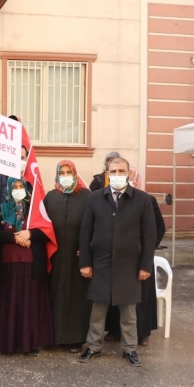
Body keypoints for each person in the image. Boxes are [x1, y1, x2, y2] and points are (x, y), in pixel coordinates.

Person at [78, 157, 156, 368]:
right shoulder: (95, 198)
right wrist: (85, 263)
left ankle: (129, 349)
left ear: (129, 174)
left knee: (129, 312)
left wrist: (145, 266)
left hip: (129, 265)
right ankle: (93, 347)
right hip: (101, 263)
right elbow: (85, 233)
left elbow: (149, 236)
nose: (117, 174)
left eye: (121, 170)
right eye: (113, 171)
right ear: (107, 173)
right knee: (98, 311)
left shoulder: (142, 199)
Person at [0, 177, 53, 354]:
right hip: (8, 266)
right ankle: (4, 343)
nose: (18, 189)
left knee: (29, 304)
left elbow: (46, 232)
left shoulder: (35, 210)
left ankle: (30, 344)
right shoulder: (1, 209)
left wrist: (29, 234)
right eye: (14, 187)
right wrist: (15, 238)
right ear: (8, 189)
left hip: (32, 265)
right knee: (8, 303)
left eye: (20, 186)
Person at [105, 166, 165, 346]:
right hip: (119, 257)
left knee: (141, 297)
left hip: (140, 257)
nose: (126, 179)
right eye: (124, 175)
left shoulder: (148, 200)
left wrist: (147, 248)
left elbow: (158, 227)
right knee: (118, 295)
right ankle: (116, 330)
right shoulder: (113, 199)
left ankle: (142, 333)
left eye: (130, 176)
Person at [44, 160, 92, 351]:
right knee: (54, 294)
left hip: (77, 256)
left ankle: (75, 338)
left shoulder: (87, 196)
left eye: (68, 172)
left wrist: (88, 249)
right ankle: (52, 336)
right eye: (61, 173)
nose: (65, 176)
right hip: (55, 256)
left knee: (76, 296)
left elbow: (94, 225)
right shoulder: (50, 197)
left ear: (75, 173)